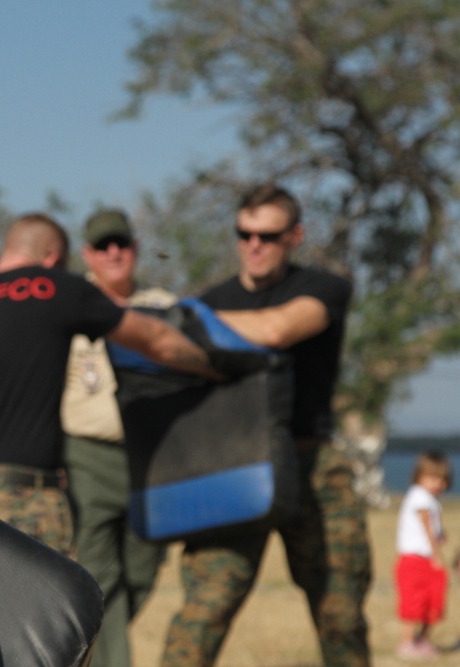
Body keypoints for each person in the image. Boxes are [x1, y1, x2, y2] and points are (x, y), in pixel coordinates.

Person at [162, 183, 371, 667]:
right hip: (234, 463)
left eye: (269, 235)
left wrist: (184, 323)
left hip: (312, 463)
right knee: (202, 613)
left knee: (341, 615)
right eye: (244, 233)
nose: (254, 245)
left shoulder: (323, 287)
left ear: (295, 236)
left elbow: (278, 330)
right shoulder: (209, 300)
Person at [0, 212, 220, 556]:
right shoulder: (53, 286)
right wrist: (215, 369)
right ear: (53, 257)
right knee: (38, 608)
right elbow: (154, 340)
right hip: (24, 498)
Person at [61, 209, 175, 667]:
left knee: (146, 569)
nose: (114, 253)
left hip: (151, 456)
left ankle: (96, 652)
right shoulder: (69, 303)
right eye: (103, 246)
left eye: (121, 244)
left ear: (135, 250)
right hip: (87, 453)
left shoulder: (162, 305)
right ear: (87, 254)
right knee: (99, 575)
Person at [395, 450, 450, 660]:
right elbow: (426, 525)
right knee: (414, 602)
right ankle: (408, 642)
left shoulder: (429, 498)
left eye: (441, 479)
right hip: (416, 559)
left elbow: (433, 528)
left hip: (425, 558)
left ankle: (421, 640)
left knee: (434, 601)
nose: (437, 483)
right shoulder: (419, 496)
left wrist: (440, 535)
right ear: (419, 476)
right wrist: (436, 554)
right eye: (431, 478)